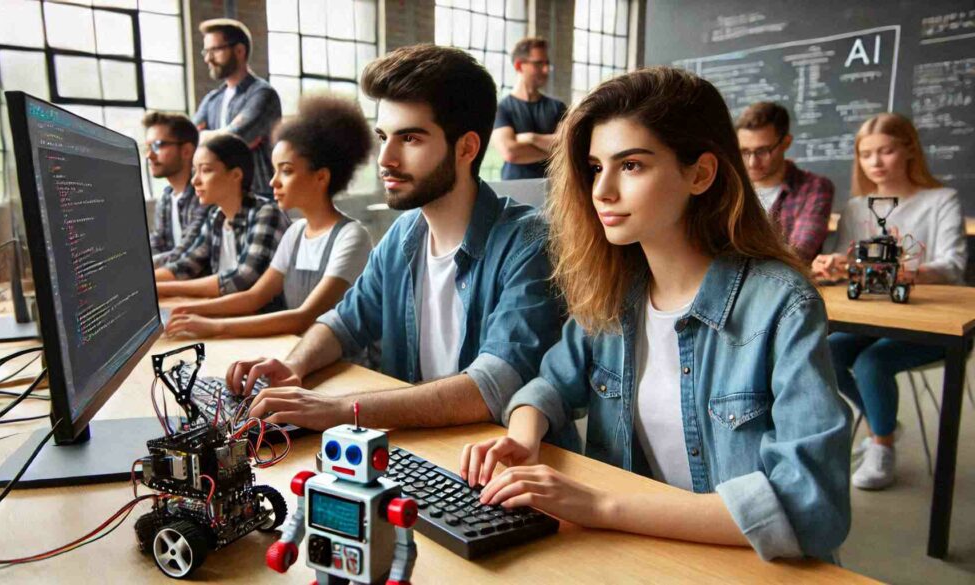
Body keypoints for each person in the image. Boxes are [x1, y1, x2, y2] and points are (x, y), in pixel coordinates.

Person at [460, 67, 852, 562]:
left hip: (748, 567)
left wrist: (600, 505)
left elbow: (810, 508)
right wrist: (521, 438)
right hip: (645, 556)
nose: (601, 191)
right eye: (596, 167)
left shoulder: (782, 305)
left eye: (631, 166)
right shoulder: (617, 292)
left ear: (700, 173)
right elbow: (549, 386)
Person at [228, 44, 565, 432]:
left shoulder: (529, 243)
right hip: (419, 449)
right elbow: (343, 322)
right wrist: (294, 365)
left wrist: (340, 411)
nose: (385, 159)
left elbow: (493, 385)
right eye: (383, 136)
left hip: (499, 465)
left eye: (410, 139)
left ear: (467, 148)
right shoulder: (404, 234)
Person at [812, 112, 967, 490]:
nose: (876, 163)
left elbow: (953, 264)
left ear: (909, 151)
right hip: (874, 317)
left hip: (930, 322)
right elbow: (846, 261)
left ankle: (881, 443)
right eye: (866, 155)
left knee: (872, 363)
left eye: (886, 151)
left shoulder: (941, 200)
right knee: (826, 351)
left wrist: (900, 271)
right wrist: (832, 265)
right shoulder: (857, 206)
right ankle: (882, 420)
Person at [165, 94, 374, 338]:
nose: (273, 181)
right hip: (295, 352)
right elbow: (253, 298)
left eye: (286, 171)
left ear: (321, 177)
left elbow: (304, 318)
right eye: (275, 170)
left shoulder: (352, 237)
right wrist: (181, 310)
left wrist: (215, 325)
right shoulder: (296, 233)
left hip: (345, 365)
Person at [155, 134, 289, 299]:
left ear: (235, 175)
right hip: (227, 313)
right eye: (194, 171)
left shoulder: (266, 213)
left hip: (259, 318)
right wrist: (145, 283)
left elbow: (241, 279)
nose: (195, 180)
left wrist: (162, 289)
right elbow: (187, 264)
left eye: (206, 170)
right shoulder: (216, 216)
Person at [193, 18, 281, 197]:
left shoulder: (263, 94)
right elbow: (187, 140)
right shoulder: (212, 100)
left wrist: (204, 137)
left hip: (259, 198)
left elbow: (236, 139)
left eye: (215, 50)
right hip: (221, 199)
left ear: (240, 50)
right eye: (206, 51)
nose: (208, 58)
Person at [735, 102, 834, 261]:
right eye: (744, 151)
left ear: (786, 143)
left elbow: (799, 253)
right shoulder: (732, 189)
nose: (752, 162)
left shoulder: (814, 188)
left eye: (763, 151)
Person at [491, 37, 567, 180]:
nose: (546, 70)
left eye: (547, 64)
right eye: (538, 64)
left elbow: (569, 145)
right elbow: (510, 152)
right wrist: (555, 150)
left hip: (553, 189)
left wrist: (531, 138)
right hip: (514, 191)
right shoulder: (501, 108)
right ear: (519, 66)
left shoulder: (558, 107)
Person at [143, 111, 212, 268]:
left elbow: (187, 251)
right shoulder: (167, 197)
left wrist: (139, 266)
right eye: (147, 147)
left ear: (187, 151)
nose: (149, 155)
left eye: (157, 146)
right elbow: (156, 244)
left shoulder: (204, 193)